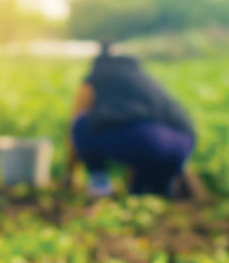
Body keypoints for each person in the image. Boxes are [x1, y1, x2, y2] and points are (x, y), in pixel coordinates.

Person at [68, 42, 196, 198]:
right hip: (182, 143)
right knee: (141, 194)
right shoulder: (140, 76)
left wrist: (69, 173)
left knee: (82, 124)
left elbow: (76, 118)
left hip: (146, 140)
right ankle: (162, 190)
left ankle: (100, 186)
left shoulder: (97, 77)